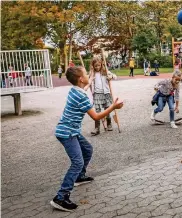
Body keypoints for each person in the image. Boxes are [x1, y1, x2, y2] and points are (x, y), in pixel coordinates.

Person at [51, 66, 123, 212]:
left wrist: (92, 83)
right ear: (81, 79)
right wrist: (113, 106)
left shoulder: (74, 90)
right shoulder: (81, 96)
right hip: (67, 133)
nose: (88, 76)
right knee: (77, 162)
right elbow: (95, 116)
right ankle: (61, 197)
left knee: (87, 149)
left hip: (71, 130)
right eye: (85, 75)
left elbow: (84, 88)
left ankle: (79, 177)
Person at [89, 57, 115, 135]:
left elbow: (114, 76)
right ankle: (97, 128)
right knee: (97, 111)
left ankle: (109, 123)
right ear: (93, 66)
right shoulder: (92, 73)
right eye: (95, 66)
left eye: (99, 65)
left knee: (107, 109)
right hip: (97, 94)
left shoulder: (105, 71)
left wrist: (111, 77)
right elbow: (88, 81)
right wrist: (90, 79)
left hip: (106, 93)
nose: (97, 67)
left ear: (101, 65)